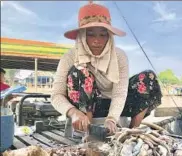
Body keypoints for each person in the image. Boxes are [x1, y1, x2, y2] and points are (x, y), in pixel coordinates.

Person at [51, 2, 162, 135]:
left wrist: (112, 119)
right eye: (91, 34)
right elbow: (56, 95)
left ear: (109, 36)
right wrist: (73, 112)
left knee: (148, 77)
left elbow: (119, 93)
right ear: (82, 35)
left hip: (116, 106)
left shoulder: (119, 56)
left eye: (103, 35)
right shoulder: (69, 57)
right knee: (79, 71)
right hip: (87, 108)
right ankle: (88, 134)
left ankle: (131, 133)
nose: (97, 40)